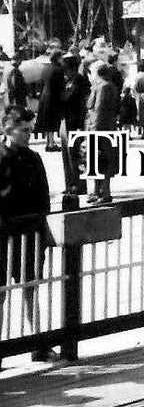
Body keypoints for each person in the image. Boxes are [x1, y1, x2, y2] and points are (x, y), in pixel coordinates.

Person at [0, 105, 55, 365]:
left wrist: (44, 228)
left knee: (31, 288)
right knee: (1, 293)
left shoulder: (34, 158)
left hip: (31, 232)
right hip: (4, 235)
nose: (29, 135)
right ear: (8, 130)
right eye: (23, 131)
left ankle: (38, 343)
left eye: (31, 130)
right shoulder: (1, 158)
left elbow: (44, 196)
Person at [84, 61, 121, 203]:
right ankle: (97, 191)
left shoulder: (103, 87)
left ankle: (104, 192)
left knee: (102, 161)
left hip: (100, 128)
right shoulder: (105, 86)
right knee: (97, 161)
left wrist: (92, 131)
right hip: (105, 127)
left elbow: (99, 110)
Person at [60, 54, 91, 197]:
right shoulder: (68, 81)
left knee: (76, 155)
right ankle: (69, 183)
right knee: (67, 155)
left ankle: (78, 184)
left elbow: (80, 103)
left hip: (75, 122)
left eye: (66, 69)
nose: (65, 72)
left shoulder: (80, 81)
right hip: (66, 121)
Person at [35, 50, 65, 151]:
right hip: (54, 97)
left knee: (47, 120)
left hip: (44, 96)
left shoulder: (46, 68)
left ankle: (49, 142)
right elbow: (61, 85)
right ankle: (51, 144)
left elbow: (41, 83)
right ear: (58, 58)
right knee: (52, 121)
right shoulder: (59, 69)